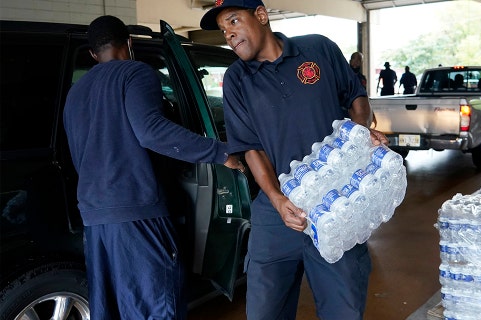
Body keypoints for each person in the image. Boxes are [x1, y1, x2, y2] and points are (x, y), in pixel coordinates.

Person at [200, 1, 389, 319]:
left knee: (343, 309)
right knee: (264, 311)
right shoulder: (237, 80)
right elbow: (251, 148)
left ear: (260, 16)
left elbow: (356, 98)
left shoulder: (318, 49)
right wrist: (275, 198)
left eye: (234, 21)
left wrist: (360, 136)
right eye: (224, 30)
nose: (229, 34)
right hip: (277, 215)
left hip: (335, 205)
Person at [63, 15, 243, 319]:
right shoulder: (135, 73)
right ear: (129, 44)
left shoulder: (75, 92)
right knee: (157, 306)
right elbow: (152, 132)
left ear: (93, 54)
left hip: (95, 218)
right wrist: (220, 152)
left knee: (116, 310)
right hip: (138, 213)